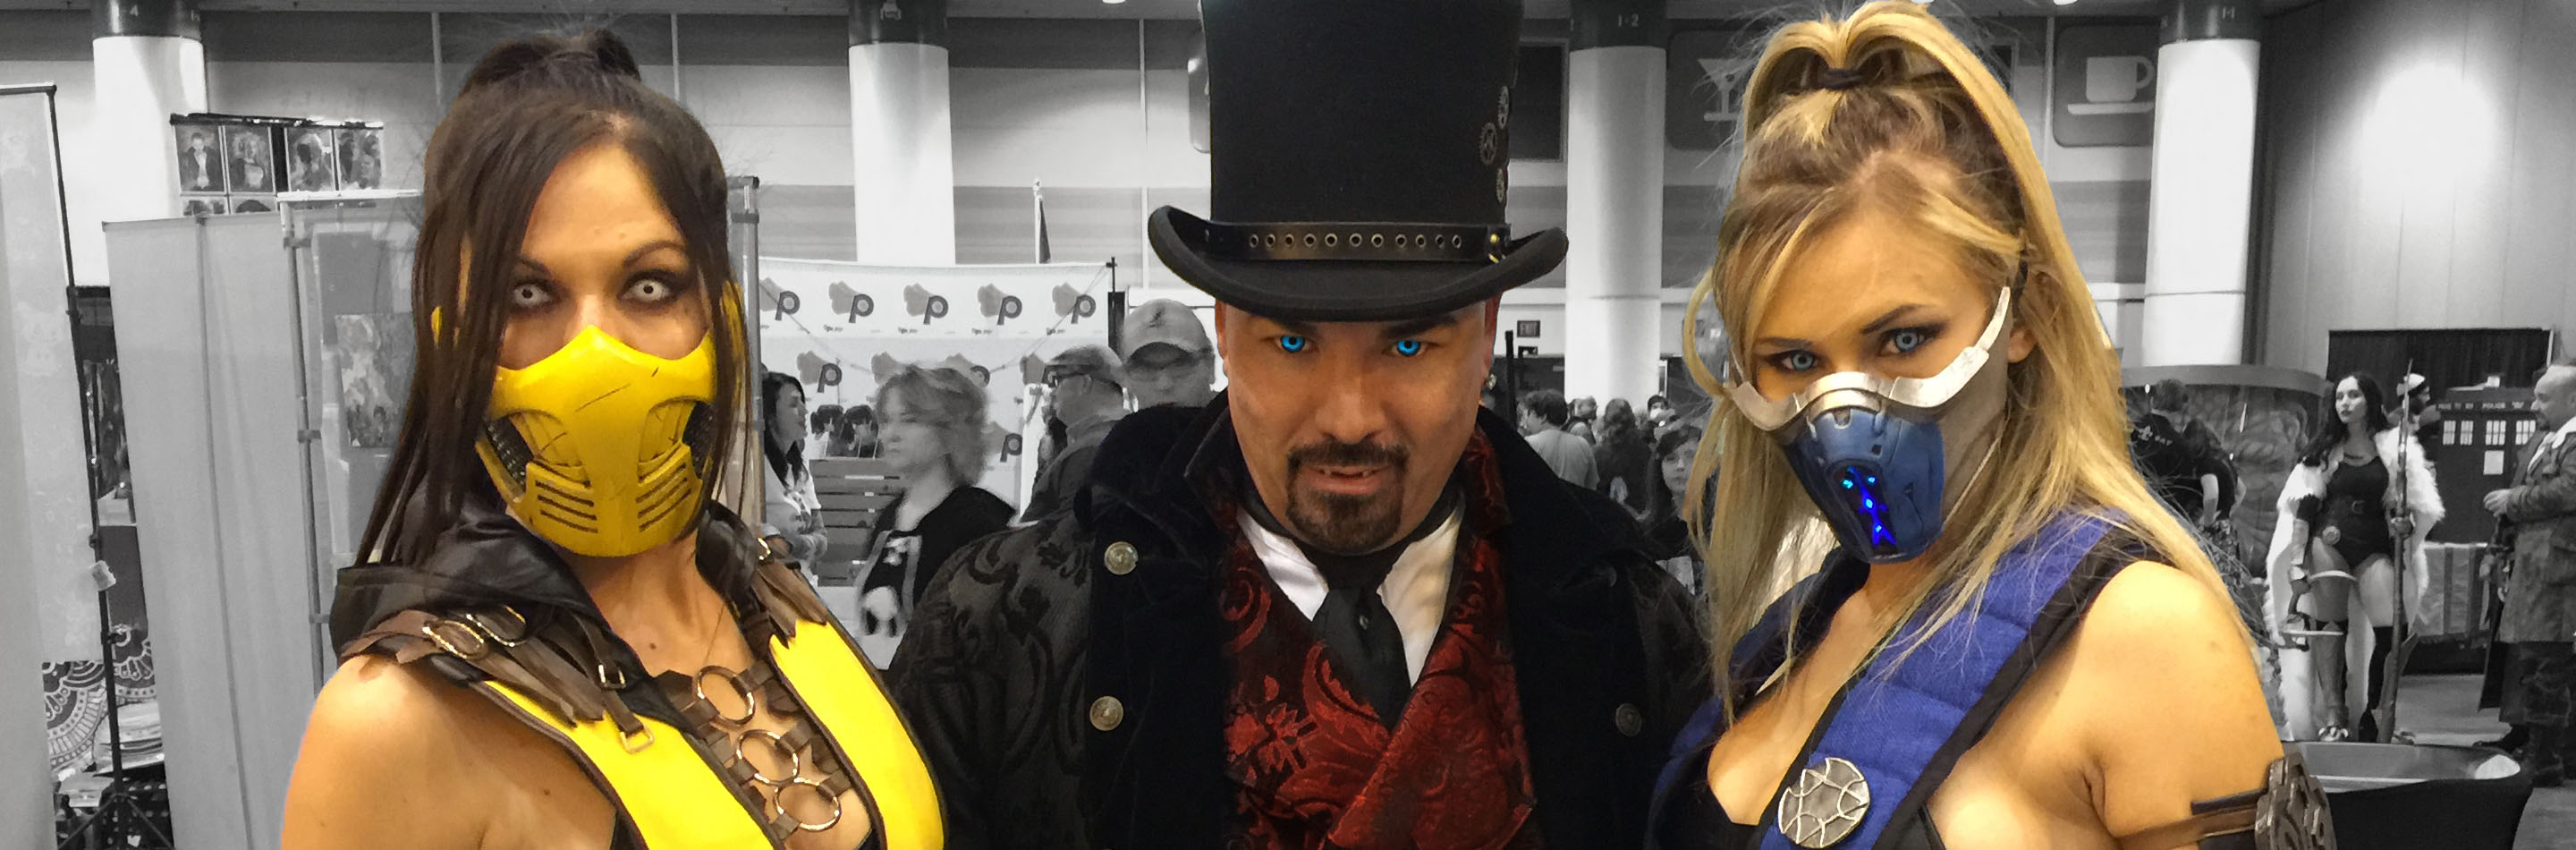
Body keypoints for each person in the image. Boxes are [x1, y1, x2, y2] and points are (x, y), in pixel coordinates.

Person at [887, 2, 1707, 846]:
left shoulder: (1633, 635)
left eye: (1412, 342)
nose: (1349, 417)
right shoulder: (1003, 631)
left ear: (1489, 329)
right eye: (1290, 339)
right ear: (1223, 328)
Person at [1653, 5, 2315, 849]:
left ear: (2023, 314)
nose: (1843, 412)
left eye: (1903, 339)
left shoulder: (2146, 636)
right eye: (1795, 360)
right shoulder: (1793, 629)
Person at [282, 30, 940, 850]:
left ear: (720, 318)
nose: (596, 358)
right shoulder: (396, 720)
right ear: (457, 348)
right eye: (526, 294)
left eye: (650, 285)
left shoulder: (776, 602)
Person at [2267, 371, 2443, 744]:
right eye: (2340, 397)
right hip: (2327, 542)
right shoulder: (2322, 453)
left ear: (2369, 401)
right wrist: (2298, 560)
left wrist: (2404, 524)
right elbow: (2304, 512)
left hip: (2375, 545)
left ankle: (2376, 713)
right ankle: (2335, 714)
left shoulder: (2397, 452)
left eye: (2353, 396)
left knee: (2392, 629)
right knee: (2331, 626)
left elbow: (2409, 507)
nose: (2345, 403)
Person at [852, 364, 1013, 668]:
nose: (891, 434)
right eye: (886, 420)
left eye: (909, 420)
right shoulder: (889, 515)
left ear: (950, 432)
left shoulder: (978, 523)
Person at [2484, 364, 2576, 785]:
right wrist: (2498, 550)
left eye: (2543, 398)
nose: (2534, 405)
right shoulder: (2543, 441)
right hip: (2531, 566)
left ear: (2572, 400)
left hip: (2559, 570)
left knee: (2548, 668)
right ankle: (2537, 750)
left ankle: (2548, 761)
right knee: (2532, 664)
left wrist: (2515, 499)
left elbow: (2569, 490)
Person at [1021, 345, 1126, 521]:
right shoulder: (1130, 438)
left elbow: (1068, 534)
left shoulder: (1088, 450)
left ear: (1084, 383)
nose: (1051, 392)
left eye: (1056, 380)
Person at [761, 371, 831, 571]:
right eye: (793, 404)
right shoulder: (755, 470)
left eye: (802, 403)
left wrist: (790, 545)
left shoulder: (800, 468)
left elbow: (822, 539)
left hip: (802, 577)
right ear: (770, 415)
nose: (804, 411)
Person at [1119, 298, 1219, 409]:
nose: (1164, 384)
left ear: (1210, 366)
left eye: (1180, 365)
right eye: (1146, 369)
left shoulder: (1238, 423)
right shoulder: (1125, 426)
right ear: (1127, 378)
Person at [1645, 424, 1708, 597]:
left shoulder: (1720, 526)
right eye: (1671, 458)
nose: (1680, 466)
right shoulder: (1648, 531)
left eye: (1690, 456)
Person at [1518, 388, 1599, 489]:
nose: (1527, 422)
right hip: (1573, 503)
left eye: (1530, 414)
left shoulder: (1529, 444)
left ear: (1543, 417)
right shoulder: (1583, 445)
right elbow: (1592, 485)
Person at [1596, 397, 1654, 518]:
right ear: (1632, 419)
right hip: (1637, 514)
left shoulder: (1597, 452)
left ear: (1606, 420)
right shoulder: (1645, 450)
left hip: (1603, 514)